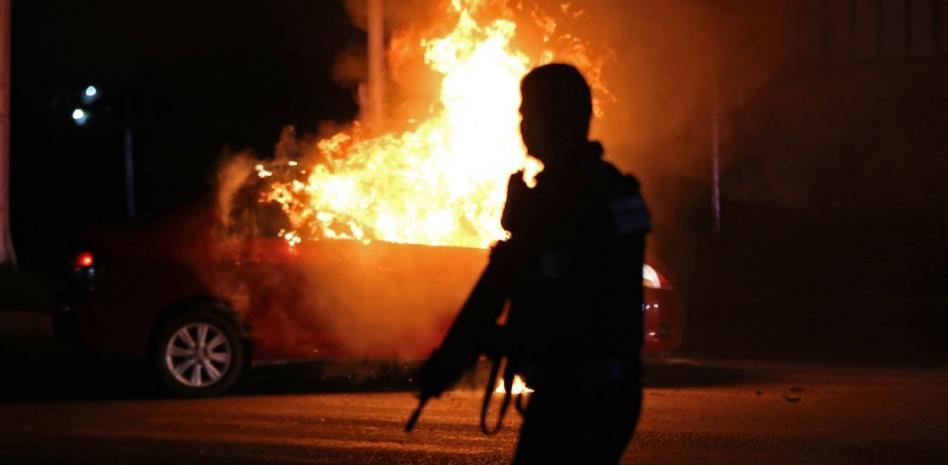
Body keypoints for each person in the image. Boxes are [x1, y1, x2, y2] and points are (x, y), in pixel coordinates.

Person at [414, 63, 650, 465]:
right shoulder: (612, 190)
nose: (522, 125)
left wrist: (474, 349)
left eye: (527, 113)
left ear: (553, 118)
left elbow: (534, 293)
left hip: (578, 394)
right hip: (609, 391)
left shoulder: (566, 201)